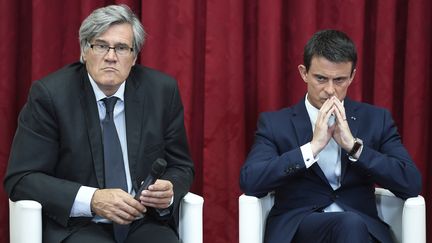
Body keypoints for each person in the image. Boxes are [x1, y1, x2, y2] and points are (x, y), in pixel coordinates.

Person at [4, 4, 194, 243]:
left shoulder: (161, 92)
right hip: (79, 225)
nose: (111, 57)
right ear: (84, 51)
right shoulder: (50, 95)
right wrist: (92, 199)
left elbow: (181, 166)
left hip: (142, 222)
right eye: (101, 45)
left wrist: (169, 190)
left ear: (134, 57)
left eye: (122, 48)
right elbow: (21, 178)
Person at [239, 29, 421, 243]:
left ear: (352, 76)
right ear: (303, 72)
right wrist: (312, 148)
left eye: (340, 80)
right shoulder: (275, 124)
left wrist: (354, 148)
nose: (330, 90)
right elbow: (251, 181)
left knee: (351, 224)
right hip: (300, 228)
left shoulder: (376, 119)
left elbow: (411, 182)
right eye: (321, 78)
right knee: (348, 224)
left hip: (360, 230)